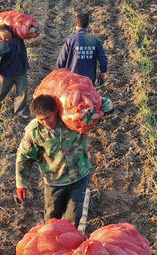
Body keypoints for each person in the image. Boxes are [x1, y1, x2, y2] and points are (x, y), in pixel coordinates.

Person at [15, 94, 113, 227]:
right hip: (54, 181)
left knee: (73, 218)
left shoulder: (74, 120)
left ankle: (69, 244)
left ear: (55, 111)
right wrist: (21, 182)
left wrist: (105, 104)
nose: (46, 123)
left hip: (79, 176)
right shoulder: (34, 131)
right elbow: (24, 157)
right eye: (41, 120)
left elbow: (100, 113)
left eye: (48, 117)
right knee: (51, 218)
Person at [0, 25, 30, 117]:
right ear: (0, 36)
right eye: (5, 38)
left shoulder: (17, 37)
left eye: (9, 37)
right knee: (0, 91)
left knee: (22, 92)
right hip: (6, 73)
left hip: (20, 70)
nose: (8, 39)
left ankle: (19, 112)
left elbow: (27, 31)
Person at [56, 12, 108, 85]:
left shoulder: (70, 40)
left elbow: (60, 63)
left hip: (72, 81)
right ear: (88, 25)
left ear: (76, 24)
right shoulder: (95, 40)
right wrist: (102, 74)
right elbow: (103, 61)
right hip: (88, 81)